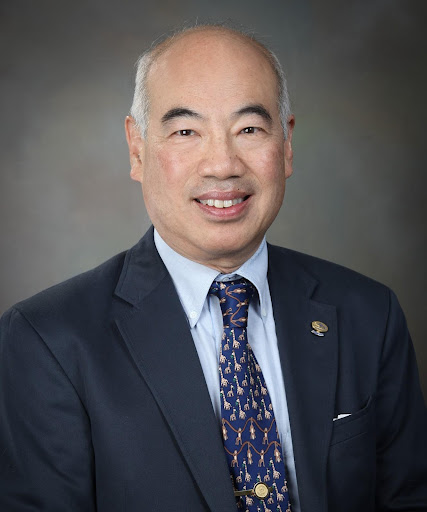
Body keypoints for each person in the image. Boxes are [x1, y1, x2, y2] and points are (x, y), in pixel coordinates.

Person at [1, 23, 426, 512]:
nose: (222, 165)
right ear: (137, 148)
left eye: (249, 129)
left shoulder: (369, 314)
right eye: (186, 131)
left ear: (285, 145)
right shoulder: (46, 340)